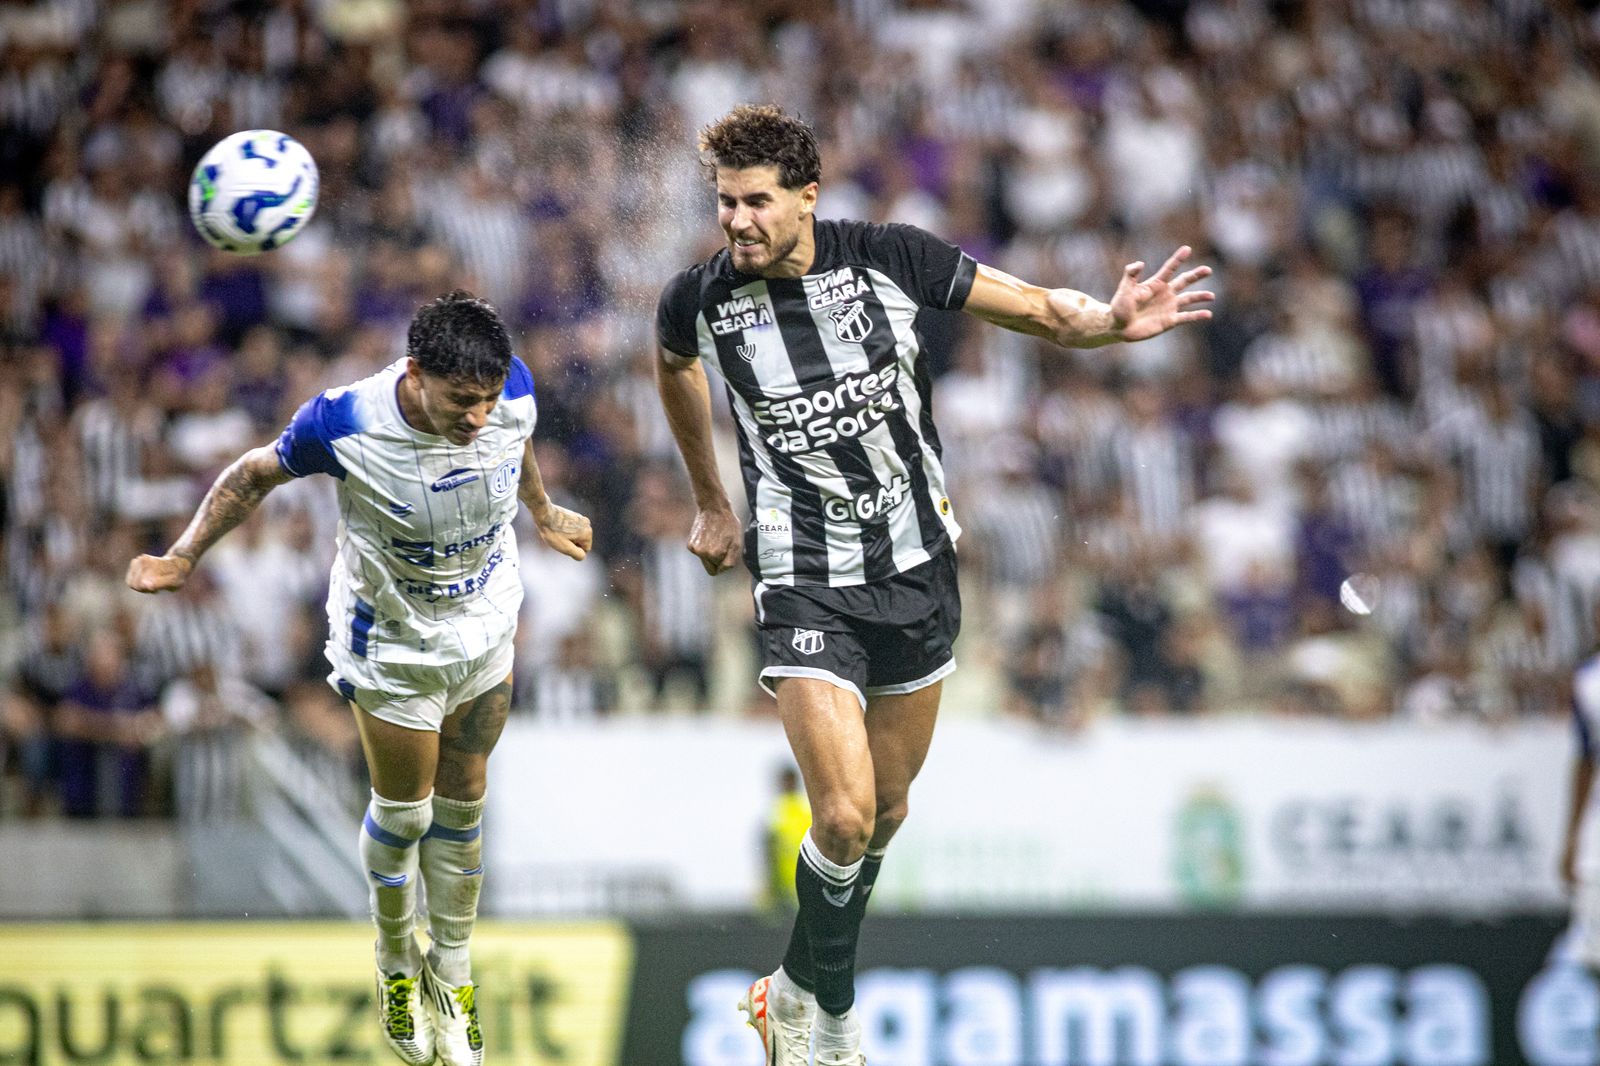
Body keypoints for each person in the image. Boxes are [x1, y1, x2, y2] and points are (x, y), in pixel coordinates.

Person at [654, 104, 1213, 1066]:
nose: (737, 221)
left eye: (756, 202)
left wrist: (1114, 326)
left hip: (917, 569)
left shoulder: (890, 257)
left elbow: (1041, 308)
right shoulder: (698, 301)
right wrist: (712, 499)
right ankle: (827, 1021)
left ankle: (790, 987)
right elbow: (673, 367)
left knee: (889, 812)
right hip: (801, 577)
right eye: (724, 203)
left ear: (806, 198)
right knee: (841, 814)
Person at [126, 290, 592, 1066]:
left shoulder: (510, 388)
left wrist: (541, 511)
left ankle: (455, 974)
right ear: (415, 374)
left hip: (484, 618)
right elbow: (251, 475)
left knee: (465, 799)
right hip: (395, 641)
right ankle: (393, 958)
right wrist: (184, 554)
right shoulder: (345, 421)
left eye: (485, 400)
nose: (477, 415)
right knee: (406, 816)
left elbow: (517, 447)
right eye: (459, 401)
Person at [1562, 639, 1600, 971]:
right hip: (1598, 833)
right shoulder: (1589, 680)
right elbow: (1585, 761)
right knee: (1593, 954)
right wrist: (1573, 837)